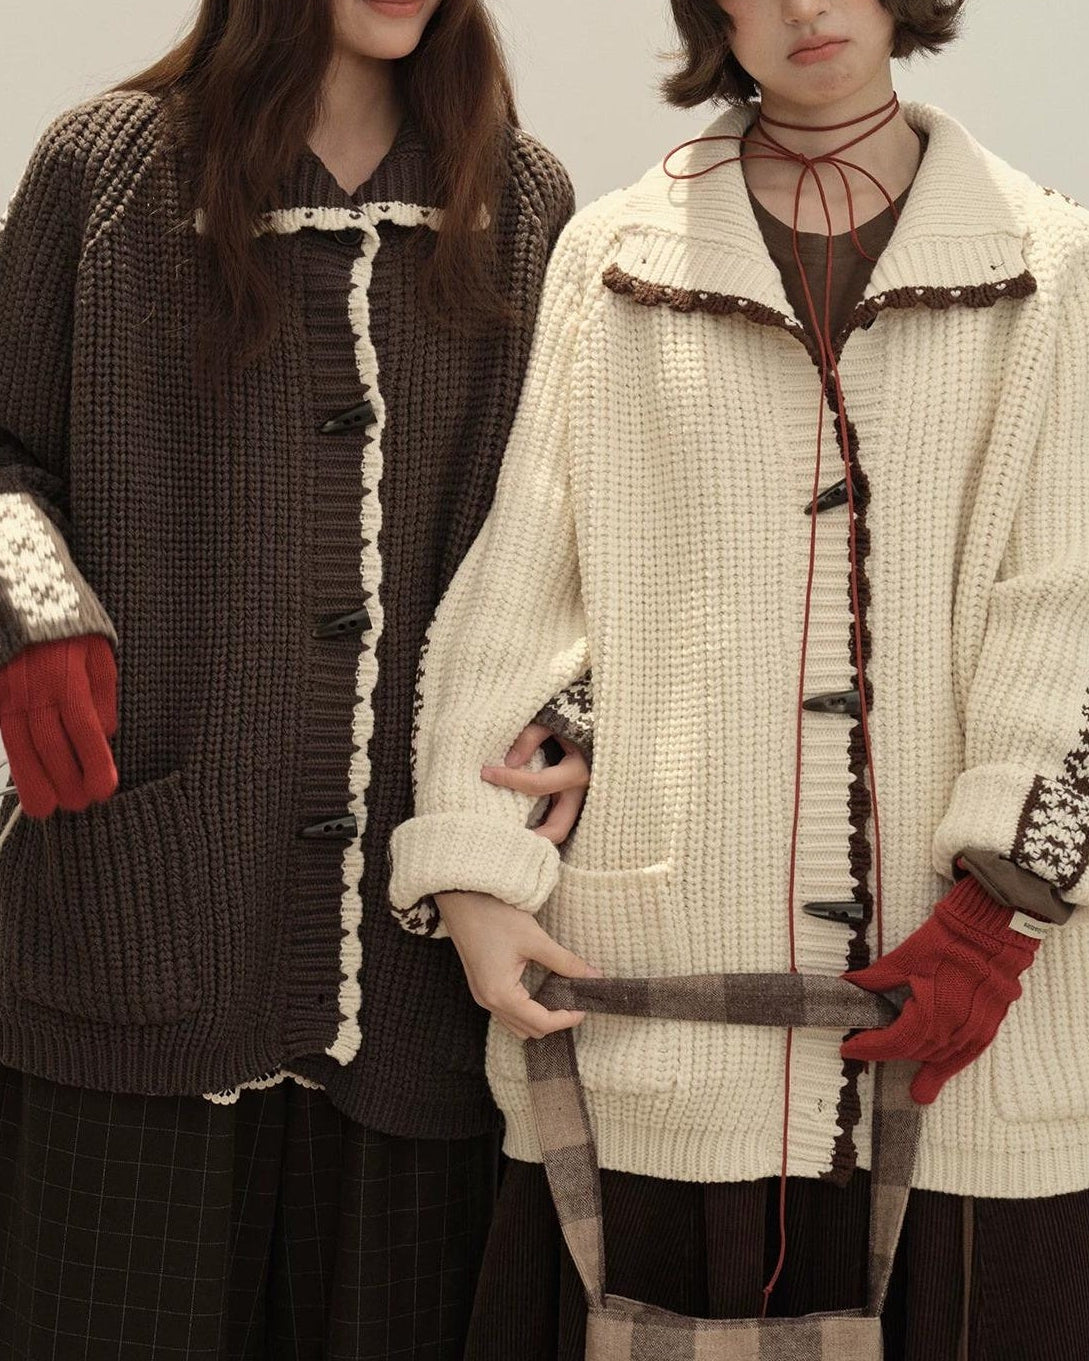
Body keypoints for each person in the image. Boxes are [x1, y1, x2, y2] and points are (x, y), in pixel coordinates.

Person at [389, 0, 1089, 1356]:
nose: (804, 10)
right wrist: (472, 869)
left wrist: (995, 913)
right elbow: (529, 579)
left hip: (972, 1031)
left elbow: (1068, 596)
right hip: (660, 1001)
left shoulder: (1051, 263)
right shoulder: (615, 255)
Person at [0, 0, 589, 1355]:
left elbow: (581, 533)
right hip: (137, 926)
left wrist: (573, 713)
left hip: (417, 971)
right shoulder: (108, 171)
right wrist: (33, 608)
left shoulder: (516, 199)